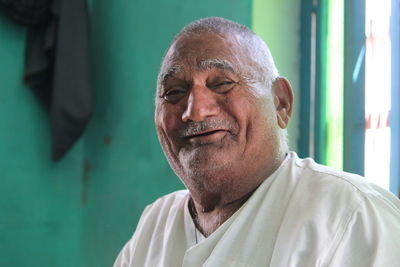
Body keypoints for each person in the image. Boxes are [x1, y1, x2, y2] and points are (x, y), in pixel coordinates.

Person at [114, 17, 400, 266]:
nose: (195, 111)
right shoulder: (156, 225)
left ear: (281, 104)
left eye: (222, 84)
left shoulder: (352, 216)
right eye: (174, 92)